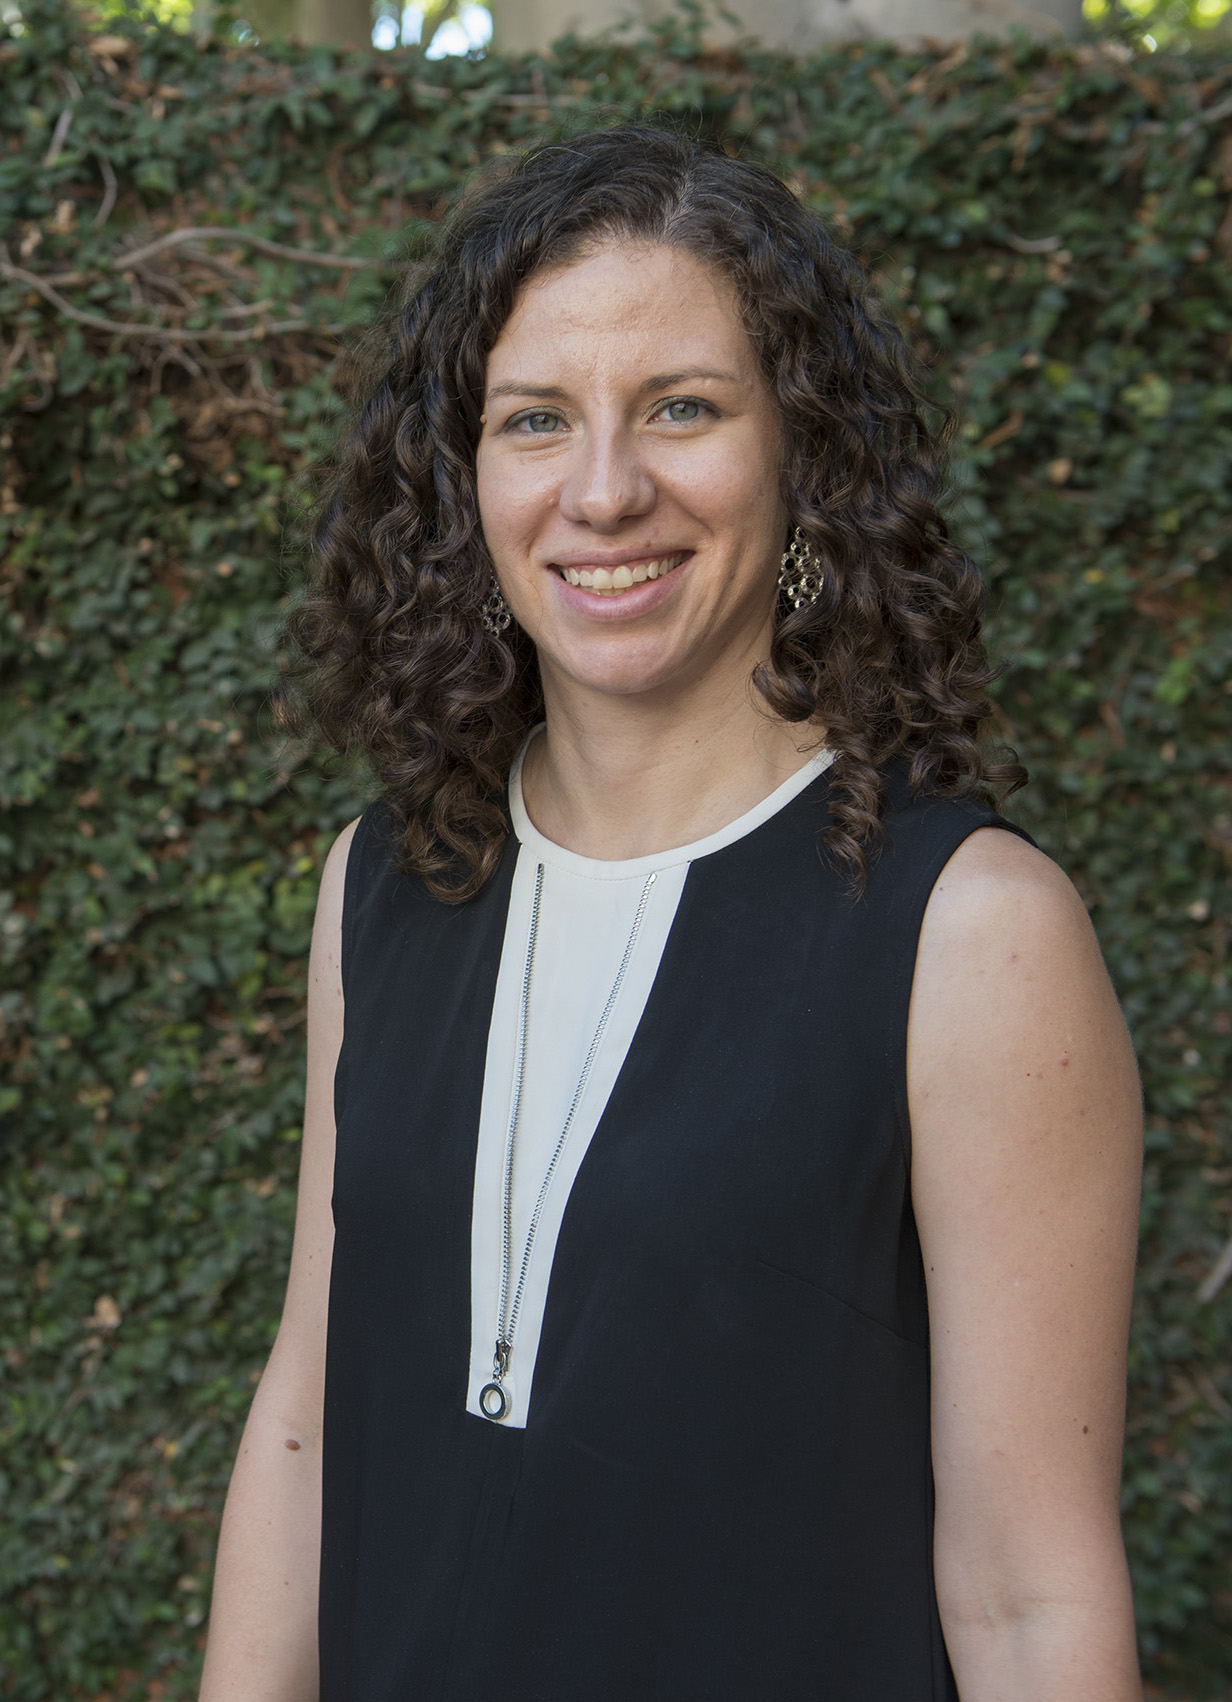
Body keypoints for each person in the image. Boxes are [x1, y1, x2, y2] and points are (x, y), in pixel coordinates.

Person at [198, 126, 1144, 1701]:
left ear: (802, 451)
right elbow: (308, 1414)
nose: (606, 489)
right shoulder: (378, 886)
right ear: (466, 475)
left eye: (684, 409)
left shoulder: (971, 930)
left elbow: (1032, 1597)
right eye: (536, 420)